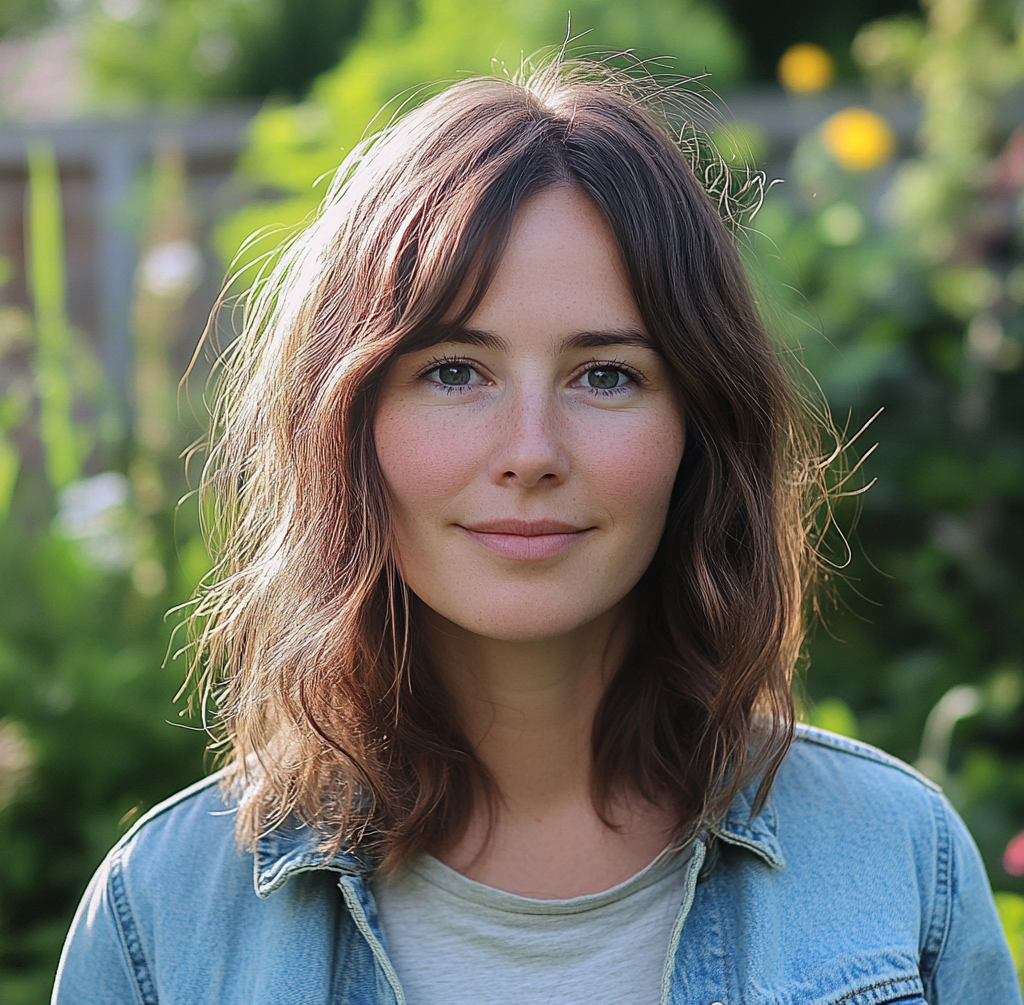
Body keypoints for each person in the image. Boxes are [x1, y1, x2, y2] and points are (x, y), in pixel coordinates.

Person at [53, 59, 1017, 1005]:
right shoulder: (160, 922)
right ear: (342, 424)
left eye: (605, 375)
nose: (530, 452)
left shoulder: (901, 864)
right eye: (453, 371)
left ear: (700, 428)